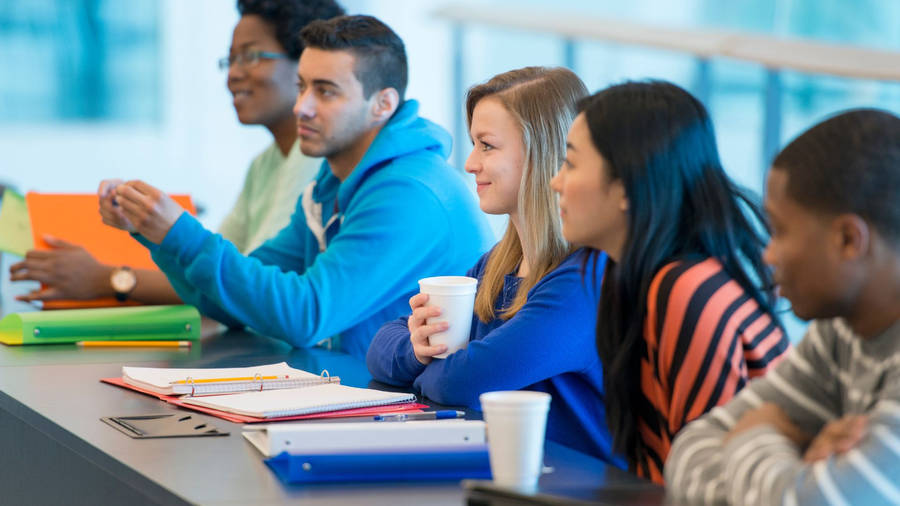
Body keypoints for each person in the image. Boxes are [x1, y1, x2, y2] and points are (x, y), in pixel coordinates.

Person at [98, 15, 493, 358]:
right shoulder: (331, 184)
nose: (301, 106)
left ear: (382, 105)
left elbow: (307, 315)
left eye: (325, 91)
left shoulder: (410, 194)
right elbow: (230, 301)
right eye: (302, 86)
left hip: (418, 409)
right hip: (358, 391)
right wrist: (160, 234)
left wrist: (180, 232)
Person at [9, 0, 343, 304]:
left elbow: (241, 282)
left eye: (251, 56)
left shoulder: (316, 163)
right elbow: (211, 269)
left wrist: (107, 278)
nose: (233, 74)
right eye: (230, 60)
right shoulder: (264, 164)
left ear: (308, 64)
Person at [366, 67, 621, 463]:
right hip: (512, 470)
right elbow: (381, 346)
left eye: (487, 146)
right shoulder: (499, 265)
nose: (470, 163)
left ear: (542, 152)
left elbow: (462, 382)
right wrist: (418, 351)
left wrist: (430, 365)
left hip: (579, 485)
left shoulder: (584, 281)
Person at [550, 81, 790, 483]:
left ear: (626, 185)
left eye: (570, 164)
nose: (556, 182)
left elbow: (703, 481)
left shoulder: (685, 289)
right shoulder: (634, 274)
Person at [666, 109, 900, 504]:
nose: (768, 254)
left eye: (779, 231)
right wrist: (797, 468)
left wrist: (756, 434)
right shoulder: (838, 332)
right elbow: (688, 453)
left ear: (848, 239)